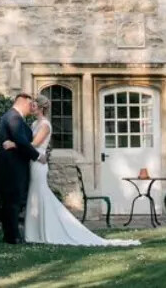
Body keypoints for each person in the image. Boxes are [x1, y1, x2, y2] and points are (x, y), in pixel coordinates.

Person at [19, 95, 139, 247]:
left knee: (40, 194)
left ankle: (47, 230)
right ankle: (34, 232)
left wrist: (16, 144)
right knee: (35, 195)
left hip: (39, 164)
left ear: (41, 107)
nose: (32, 107)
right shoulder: (35, 123)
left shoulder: (45, 125)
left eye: (34, 104)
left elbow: (34, 144)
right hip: (34, 161)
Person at [0, 93, 41, 244]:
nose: (31, 107)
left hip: (10, 166)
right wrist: (37, 156)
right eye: (30, 104)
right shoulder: (14, 117)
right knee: (14, 200)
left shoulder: (10, 116)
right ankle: (13, 236)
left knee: (10, 200)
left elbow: (21, 141)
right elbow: (22, 141)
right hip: (14, 166)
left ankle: (9, 234)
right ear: (22, 102)